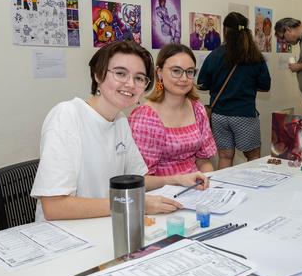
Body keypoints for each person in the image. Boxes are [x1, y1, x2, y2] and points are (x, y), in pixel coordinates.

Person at [31, 41, 209, 221]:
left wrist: (177, 179)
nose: (131, 84)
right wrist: (135, 202)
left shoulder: (120, 121)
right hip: (66, 233)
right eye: (121, 73)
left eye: (139, 78)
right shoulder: (67, 115)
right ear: (98, 75)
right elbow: (54, 207)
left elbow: (139, 179)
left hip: (106, 222)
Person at [129, 43, 216, 176]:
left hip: (195, 188)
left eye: (189, 72)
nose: (184, 78)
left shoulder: (197, 109)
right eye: (176, 71)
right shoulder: (145, 117)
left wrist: (210, 184)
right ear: (159, 73)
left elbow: (204, 161)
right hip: (159, 191)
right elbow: (140, 177)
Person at [197, 12, 271, 169]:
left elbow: (202, 83)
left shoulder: (215, 55)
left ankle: (225, 190)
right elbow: (265, 85)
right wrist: (246, 85)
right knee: (253, 157)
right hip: (244, 115)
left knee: (224, 156)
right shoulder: (254, 56)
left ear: (225, 31)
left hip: (219, 116)